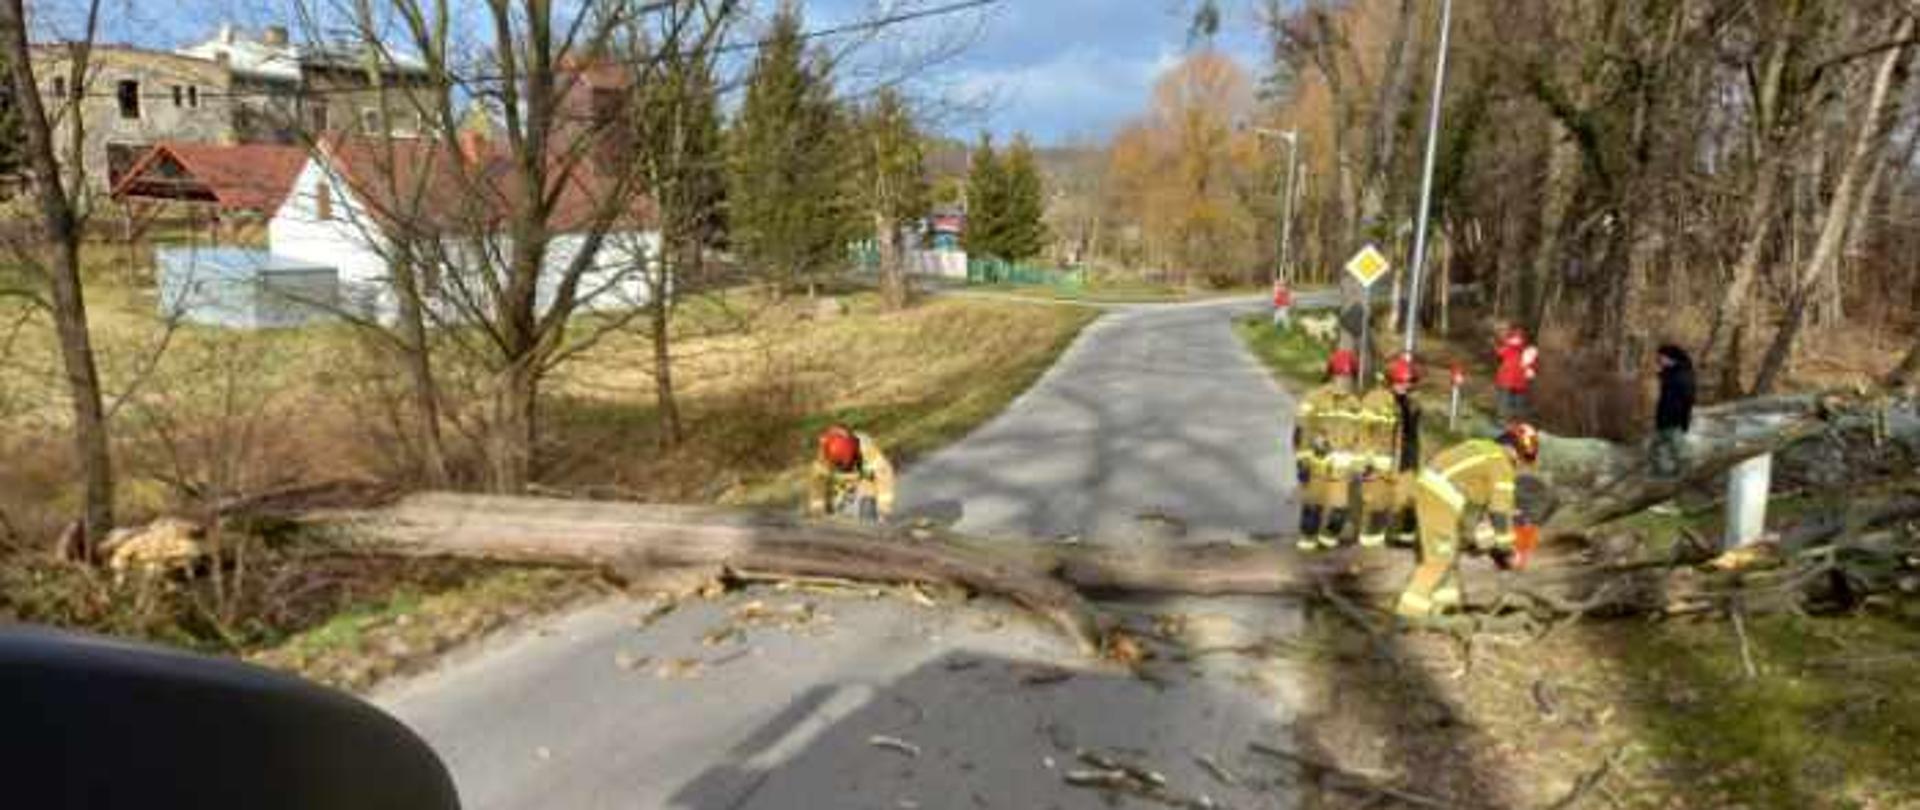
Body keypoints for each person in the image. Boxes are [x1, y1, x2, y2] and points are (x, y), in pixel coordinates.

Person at [1395, 422, 1543, 619]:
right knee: (1438, 561)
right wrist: (1507, 553)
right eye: (1524, 460)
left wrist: (1484, 539)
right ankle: (1408, 619)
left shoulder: (1482, 448)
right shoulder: (1501, 463)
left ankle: (1444, 613)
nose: (1520, 466)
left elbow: (1482, 511)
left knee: (1450, 555)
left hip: (1433, 493)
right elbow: (1500, 511)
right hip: (1439, 498)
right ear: (1518, 451)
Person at [1294, 348, 1360, 550]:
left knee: (1338, 514)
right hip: (1317, 467)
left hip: (1341, 471)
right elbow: (1301, 431)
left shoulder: (1355, 404)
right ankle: (1305, 548)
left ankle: (1326, 551)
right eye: (1340, 375)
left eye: (1348, 377)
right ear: (1331, 374)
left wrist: (1358, 464)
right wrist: (1302, 461)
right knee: (1312, 511)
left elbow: (1359, 438)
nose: (1343, 381)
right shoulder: (1314, 398)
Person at [1354, 365, 1403, 548]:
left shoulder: (1397, 403)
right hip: (1374, 463)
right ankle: (1367, 545)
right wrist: (1366, 462)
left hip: (1389, 463)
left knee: (1386, 505)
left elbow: (1399, 436)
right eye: (1401, 383)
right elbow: (1363, 432)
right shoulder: (1374, 400)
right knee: (1373, 505)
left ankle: (1376, 542)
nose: (1405, 387)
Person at [807, 424, 895, 522]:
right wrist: (817, 509)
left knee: (866, 505)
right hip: (838, 482)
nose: (843, 465)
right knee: (832, 511)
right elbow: (818, 482)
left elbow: (884, 476)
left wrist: (884, 509)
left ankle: (868, 521)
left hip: (863, 479)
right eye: (838, 462)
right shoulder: (824, 453)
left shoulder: (866, 448)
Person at [1651, 344, 1696, 479]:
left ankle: (1684, 477)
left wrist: (1682, 419)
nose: (1659, 360)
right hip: (1664, 418)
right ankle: (1663, 475)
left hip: (1674, 419)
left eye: (1661, 357)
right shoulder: (1669, 372)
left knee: (1679, 451)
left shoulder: (1683, 375)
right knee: (1655, 449)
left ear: (1670, 358)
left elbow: (1688, 400)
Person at [1493, 323, 1539, 421]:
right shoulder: (1529, 350)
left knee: (1504, 402)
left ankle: (1503, 421)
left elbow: (1499, 354)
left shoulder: (1508, 346)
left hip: (1506, 379)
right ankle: (1516, 422)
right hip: (1520, 381)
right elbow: (1532, 366)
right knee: (1518, 404)